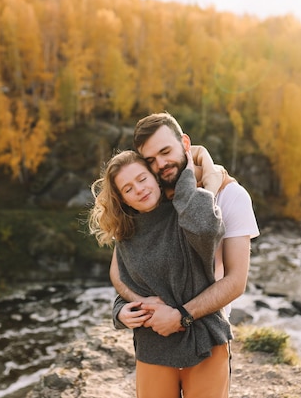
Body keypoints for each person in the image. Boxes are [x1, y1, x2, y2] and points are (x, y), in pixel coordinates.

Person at [111, 112, 260, 397]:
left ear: (185, 143)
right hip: (155, 344)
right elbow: (119, 270)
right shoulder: (151, 198)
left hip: (206, 337)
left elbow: (236, 282)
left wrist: (181, 316)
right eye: (151, 160)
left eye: (166, 152)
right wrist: (131, 306)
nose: (161, 165)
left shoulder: (231, 196)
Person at [89, 145, 231, 398]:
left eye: (142, 179)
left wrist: (193, 167)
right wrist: (121, 313)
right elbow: (129, 286)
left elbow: (208, 228)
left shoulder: (188, 211)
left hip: (203, 341)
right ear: (122, 199)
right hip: (152, 347)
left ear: (155, 176)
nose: (139, 190)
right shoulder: (126, 234)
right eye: (128, 189)